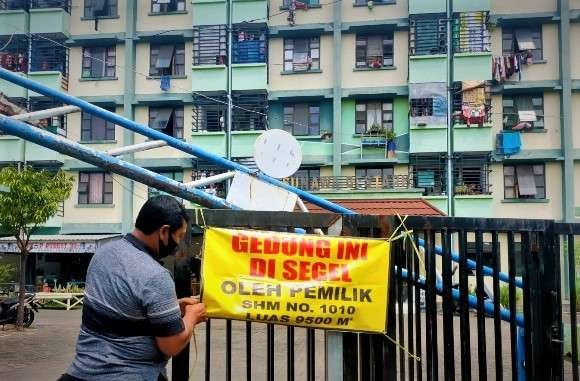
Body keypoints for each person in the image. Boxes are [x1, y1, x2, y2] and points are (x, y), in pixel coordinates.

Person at [59, 195, 206, 381]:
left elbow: (122, 308)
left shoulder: (103, 254)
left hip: (81, 373)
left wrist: (172, 306)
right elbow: (170, 345)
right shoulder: (156, 275)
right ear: (164, 232)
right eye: (179, 237)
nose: (178, 245)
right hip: (132, 374)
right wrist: (193, 316)